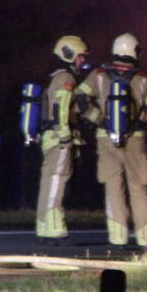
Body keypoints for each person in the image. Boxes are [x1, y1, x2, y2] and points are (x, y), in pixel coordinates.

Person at [79, 33, 147, 250]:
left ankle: (117, 240)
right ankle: (145, 240)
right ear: (134, 50)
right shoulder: (144, 78)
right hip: (136, 140)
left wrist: (99, 120)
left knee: (113, 189)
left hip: (106, 139)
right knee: (139, 189)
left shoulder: (99, 74)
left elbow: (80, 97)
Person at [36, 35, 91, 244]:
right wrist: (65, 134)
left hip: (52, 137)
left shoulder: (57, 76)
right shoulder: (66, 79)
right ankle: (54, 228)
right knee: (57, 180)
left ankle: (44, 226)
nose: (82, 61)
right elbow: (61, 107)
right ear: (68, 55)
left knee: (49, 181)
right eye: (80, 57)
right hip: (60, 139)